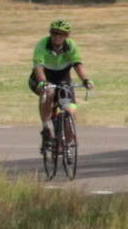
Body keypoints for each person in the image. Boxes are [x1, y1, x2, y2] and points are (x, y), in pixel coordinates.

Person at [31, 19, 92, 150]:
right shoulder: (42, 45)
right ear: (50, 33)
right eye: (54, 33)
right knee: (48, 92)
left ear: (67, 36)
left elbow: (77, 65)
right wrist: (42, 82)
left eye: (61, 34)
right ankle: (46, 129)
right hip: (43, 76)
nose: (57, 36)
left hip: (63, 78)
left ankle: (66, 145)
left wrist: (86, 80)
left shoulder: (71, 46)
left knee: (71, 110)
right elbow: (38, 68)